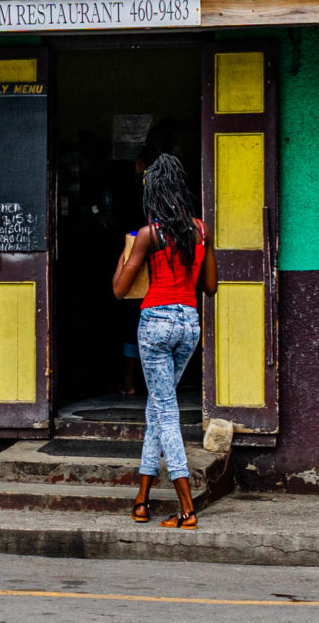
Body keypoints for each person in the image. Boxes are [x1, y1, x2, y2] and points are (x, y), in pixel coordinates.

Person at [111, 154, 217, 529]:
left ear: (153, 194)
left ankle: (187, 508)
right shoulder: (201, 230)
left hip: (155, 323)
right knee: (159, 408)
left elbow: (120, 290)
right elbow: (210, 287)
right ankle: (141, 499)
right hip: (189, 323)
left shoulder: (148, 234)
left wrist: (125, 255)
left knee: (166, 413)